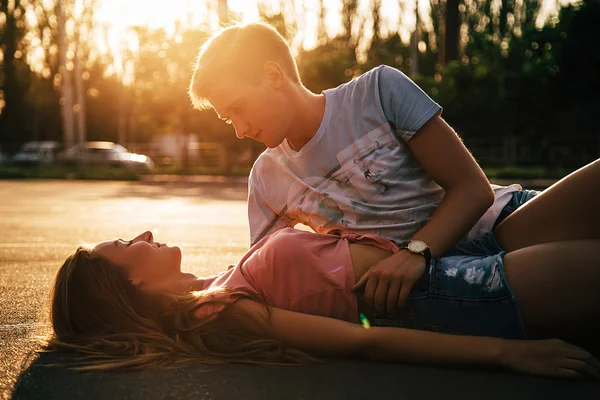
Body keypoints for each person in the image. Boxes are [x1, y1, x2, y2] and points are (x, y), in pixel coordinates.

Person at [187, 22, 600, 321]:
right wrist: (174, 292)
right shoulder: (266, 178)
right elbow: (260, 280)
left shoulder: (378, 91)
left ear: (273, 76)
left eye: (238, 109)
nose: (240, 131)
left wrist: (415, 253)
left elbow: (472, 189)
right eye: (228, 121)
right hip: (445, 281)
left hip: (500, 224)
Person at [47, 226, 600, 379]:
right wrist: (509, 356)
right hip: (462, 290)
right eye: (127, 245)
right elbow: (368, 341)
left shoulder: (211, 286)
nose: (142, 234)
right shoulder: (216, 311)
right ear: (131, 287)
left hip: (448, 251)